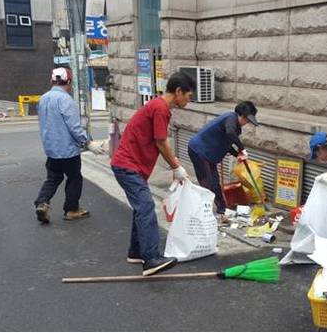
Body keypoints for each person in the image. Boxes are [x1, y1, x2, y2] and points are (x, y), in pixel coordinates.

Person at [111, 71, 194, 276]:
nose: (189, 101)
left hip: (128, 165)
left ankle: (136, 251)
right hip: (128, 165)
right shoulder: (161, 108)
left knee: (141, 208)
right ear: (178, 91)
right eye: (189, 96)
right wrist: (176, 166)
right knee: (146, 206)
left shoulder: (157, 106)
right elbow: (161, 141)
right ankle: (151, 259)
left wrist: (175, 164)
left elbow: (160, 141)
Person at [34, 67, 104, 224]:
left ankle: (42, 202)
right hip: (67, 150)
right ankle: (71, 209)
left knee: (53, 178)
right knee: (74, 178)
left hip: (51, 148)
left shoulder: (43, 98)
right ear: (69, 82)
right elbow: (74, 127)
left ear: (52, 81)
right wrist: (87, 143)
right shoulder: (66, 100)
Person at [187, 101, 259, 222]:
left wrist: (238, 154)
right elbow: (230, 133)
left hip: (208, 154)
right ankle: (203, 212)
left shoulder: (235, 125)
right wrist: (242, 148)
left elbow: (227, 144)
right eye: (247, 120)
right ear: (241, 115)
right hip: (199, 151)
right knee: (207, 182)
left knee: (214, 182)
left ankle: (222, 209)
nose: (247, 123)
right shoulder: (231, 118)